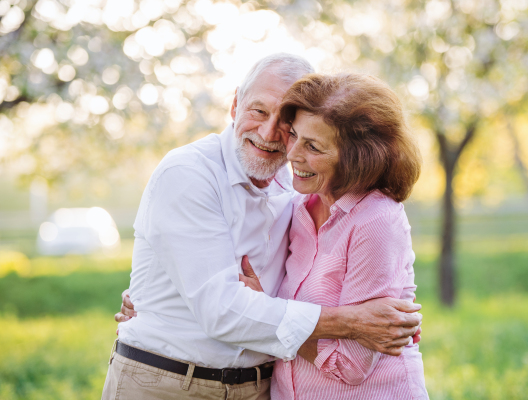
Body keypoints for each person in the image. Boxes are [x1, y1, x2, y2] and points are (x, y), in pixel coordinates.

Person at [104, 53, 422, 400]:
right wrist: (354, 322)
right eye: (258, 111)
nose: (271, 134)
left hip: (258, 388)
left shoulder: (298, 189)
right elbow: (221, 310)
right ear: (235, 104)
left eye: (286, 123)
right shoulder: (189, 174)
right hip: (169, 383)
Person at [239, 73, 429, 399]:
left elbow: (350, 366)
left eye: (313, 146)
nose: (293, 154)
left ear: (357, 159)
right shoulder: (297, 206)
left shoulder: (375, 221)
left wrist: (266, 313)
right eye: (295, 136)